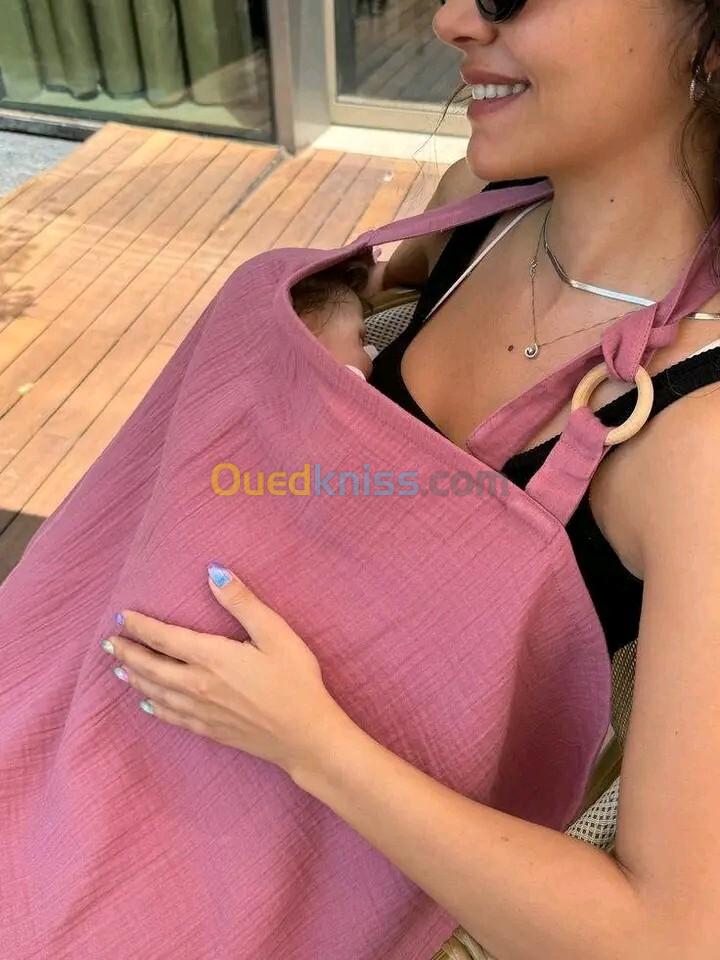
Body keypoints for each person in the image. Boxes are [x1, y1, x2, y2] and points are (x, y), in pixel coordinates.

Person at [36, 1, 720, 957]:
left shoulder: (697, 442)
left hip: (329, 890)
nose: (449, 20)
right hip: (124, 755)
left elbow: (667, 933)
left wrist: (310, 743)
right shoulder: (478, 215)